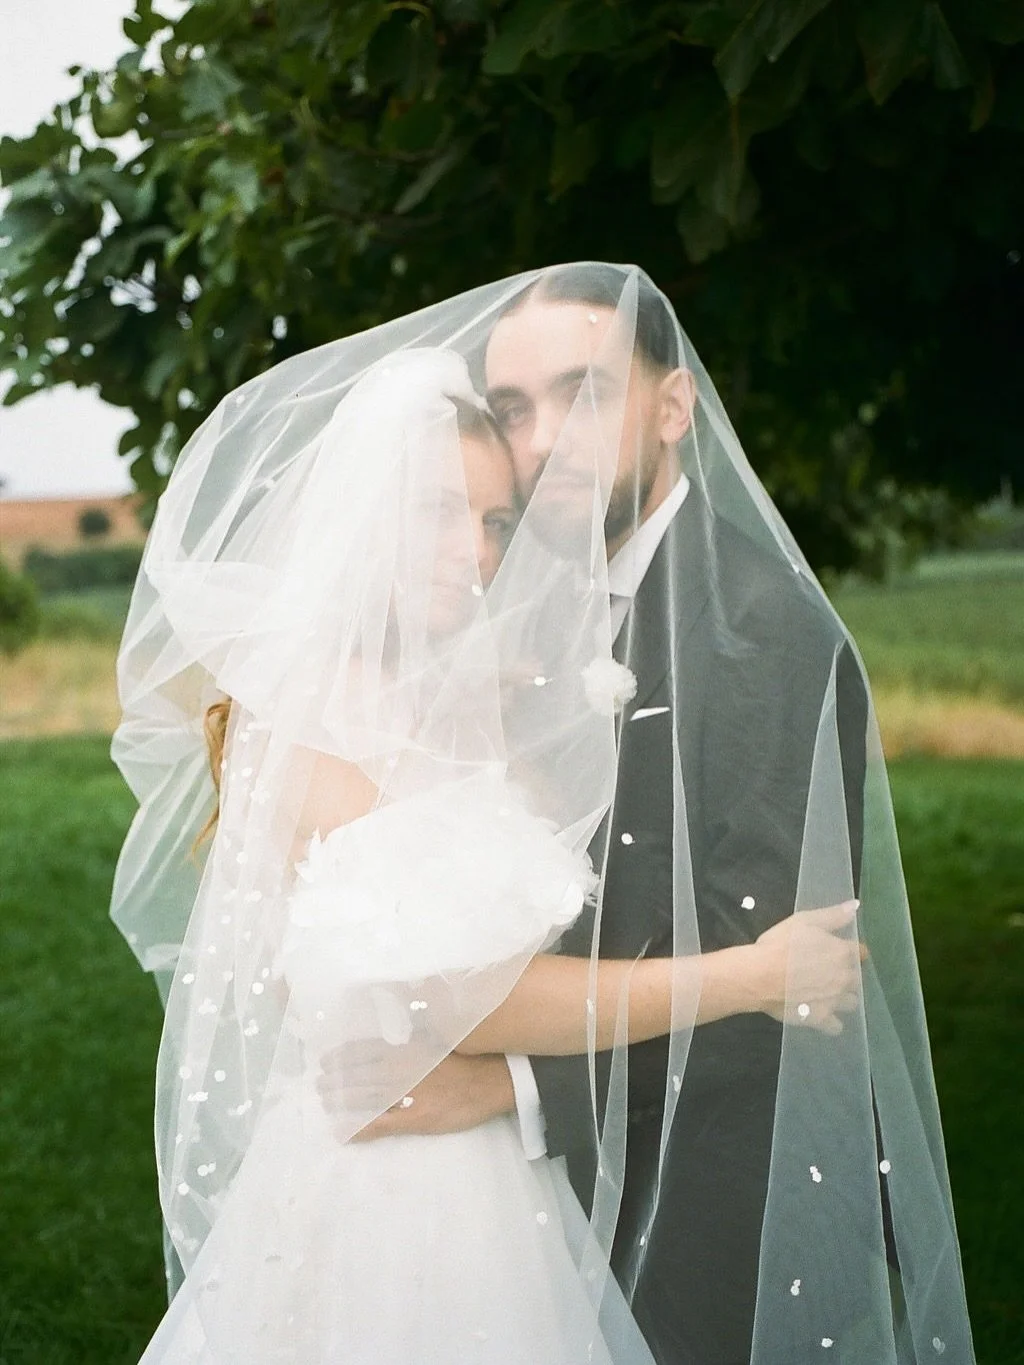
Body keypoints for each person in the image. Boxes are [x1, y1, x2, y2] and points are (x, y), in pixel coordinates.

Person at [111, 269, 974, 1365]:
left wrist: (513, 1088)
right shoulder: (467, 646)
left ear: (673, 406)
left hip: (694, 1197)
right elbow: (427, 974)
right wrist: (745, 975)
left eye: (582, 392)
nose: (542, 440)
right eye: (513, 407)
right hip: (414, 1177)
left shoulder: (761, 636)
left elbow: (794, 1009)